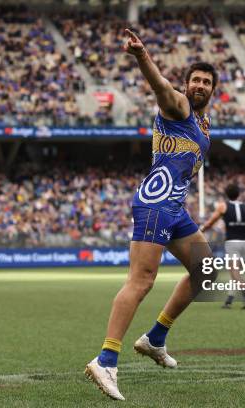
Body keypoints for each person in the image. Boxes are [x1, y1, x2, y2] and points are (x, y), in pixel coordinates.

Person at [84, 29, 217, 401]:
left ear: (213, 89)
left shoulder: (203, 126)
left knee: (205, 269)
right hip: (156, 204)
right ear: (187, 85)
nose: (200, 85)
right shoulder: (178, 106)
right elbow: (160, 86)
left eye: (207, 82)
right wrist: (142, 56)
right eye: (195, 80)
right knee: (141, 281)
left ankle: (155, 338)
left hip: (174, 209)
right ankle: (106, 359)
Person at [200, 183, 245, 309]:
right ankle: (228, 301)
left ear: (226, 194)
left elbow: (211, 222)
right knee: (236, 273)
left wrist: (201, 230)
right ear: (238, 194)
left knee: (234, 271)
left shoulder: (223, 206)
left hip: (232, 242)